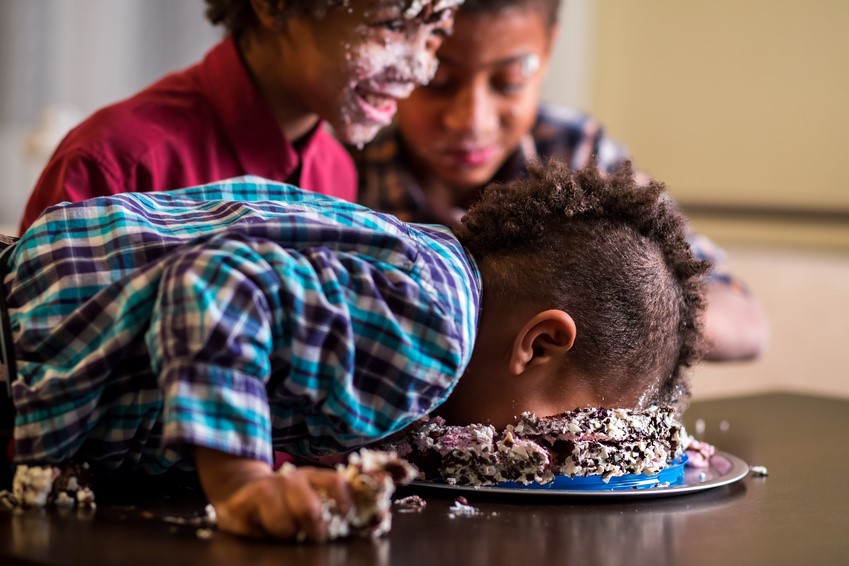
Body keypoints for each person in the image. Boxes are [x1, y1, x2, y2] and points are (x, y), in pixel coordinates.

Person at [0, 160, 708, 540]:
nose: (528, 444)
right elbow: (220, 285)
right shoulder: (435, 334)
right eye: (557, 422)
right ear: (539, 343)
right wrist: (241, 481)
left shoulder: (426, 263)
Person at [350, 0, 768, 362]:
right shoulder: (344, 169)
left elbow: (746, 325)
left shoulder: (577, 154)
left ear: (548, 49)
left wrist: (618, 303)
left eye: (509, 81)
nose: (470, 120)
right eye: (437, 81)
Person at [17, 0, 462, 233]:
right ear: (276, 4)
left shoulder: (336, 173)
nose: (421, 67)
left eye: (436, 33)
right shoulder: (117, 163)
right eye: (390, 25)